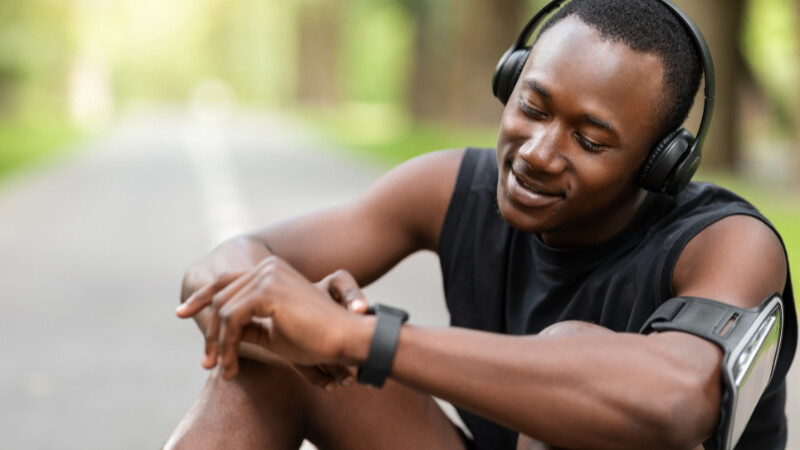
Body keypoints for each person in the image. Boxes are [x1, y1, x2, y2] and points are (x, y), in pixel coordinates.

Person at [166, 0, 797, 449]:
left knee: (574, 387)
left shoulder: (730, 244)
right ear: (510, 79)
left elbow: (676, 400)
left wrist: (358, 339)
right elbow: (227, 267)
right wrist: (276, 316)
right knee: (269, 356)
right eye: (533, 106)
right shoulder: (448, 187)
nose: (537, 153)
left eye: (589, 139)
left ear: (662, 165)